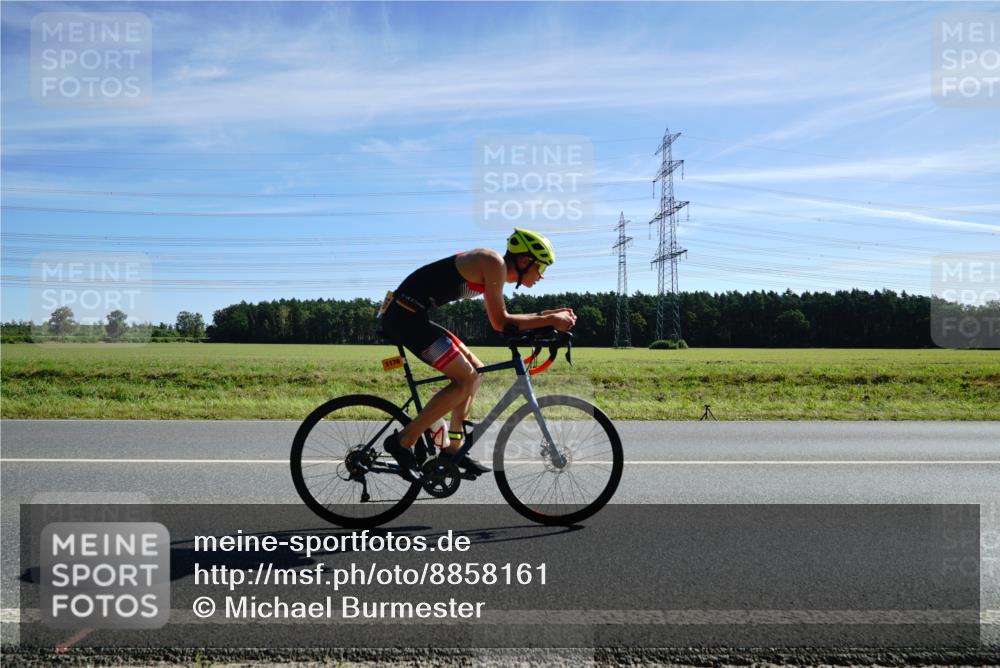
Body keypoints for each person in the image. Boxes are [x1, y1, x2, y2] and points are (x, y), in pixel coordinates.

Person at [379, 228, 576, 482]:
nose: (542, 276)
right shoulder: (493, 263)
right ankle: (403, 440)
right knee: (466, 379)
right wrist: (548, 319)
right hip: (404, 317)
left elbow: (505, 319)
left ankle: (453, 449)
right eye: (542, 267)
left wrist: (545, 317)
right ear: (525, 261)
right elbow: (500, 322)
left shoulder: (495, 268)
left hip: (411, 314)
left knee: (476, 372)